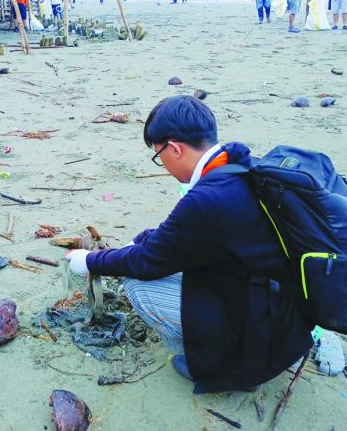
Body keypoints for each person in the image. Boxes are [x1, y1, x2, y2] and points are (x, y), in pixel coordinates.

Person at [66, 95, 313, 393]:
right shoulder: (239, 167)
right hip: (284, 312)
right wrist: (140, 240)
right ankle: (231, 348)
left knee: (137, 285)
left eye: (159, 155)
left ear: (175, 148)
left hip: (264, 332)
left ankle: (219, 364)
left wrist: (89, 261)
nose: (164, 164)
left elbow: (146, 262)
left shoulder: (208, 199)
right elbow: (182, 235)